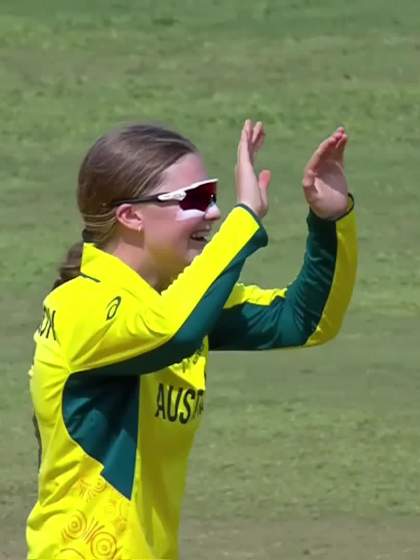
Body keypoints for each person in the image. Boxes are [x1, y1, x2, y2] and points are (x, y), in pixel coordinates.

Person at [27, 119, 357, 560]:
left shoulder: (180, 300)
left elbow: (305, 320)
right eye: (195, 200)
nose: (213, 212)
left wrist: (330, 219)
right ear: (130, 216)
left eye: (214, 197)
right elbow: (171, 331)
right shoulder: (79, 307)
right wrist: (244, 220)